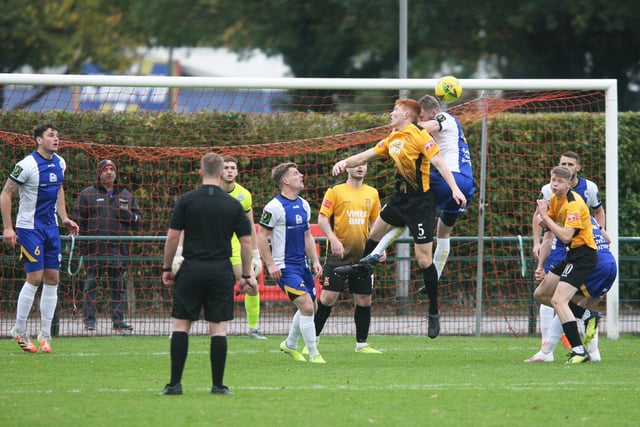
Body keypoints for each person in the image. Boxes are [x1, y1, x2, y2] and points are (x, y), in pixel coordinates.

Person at [332, 98, 467, 339]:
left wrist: (455, 189)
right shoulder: (393, 137)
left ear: (406, 114)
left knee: (424, 261)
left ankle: (434, 311)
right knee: (373, 234)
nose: (391, 114)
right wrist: (345, 162)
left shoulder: (419, 135)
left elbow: (439, 163)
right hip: (399, 200)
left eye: (395, 111)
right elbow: (368, 154)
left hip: (421, 203)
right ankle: (361, 272)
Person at [158, 152, 256, 396]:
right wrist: (245, 275)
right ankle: (218, 386)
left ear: (201, 172)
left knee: (181, 326)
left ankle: (174, 384)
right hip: (221, 270)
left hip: (191, 269)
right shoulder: (233, 204)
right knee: (218, 329)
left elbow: (172, 237)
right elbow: (246, 243)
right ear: (222, 172)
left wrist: (167, 268)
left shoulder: (187, 200)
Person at [1, 122, 79, 353]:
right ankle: (19, 329)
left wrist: (63, 217)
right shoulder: (26, 165)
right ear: (38, 139)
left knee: (53, 278)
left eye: (57, 135)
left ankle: (45, 334)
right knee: (34, 277)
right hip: (29, 228)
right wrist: (8, 227)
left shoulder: (60, 163)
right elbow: (6, 193)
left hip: (51, 228)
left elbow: (59, 189)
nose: (56, 139)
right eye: (51, 135)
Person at [531, 151, 605, 345]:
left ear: (569, 183)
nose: (554, 184)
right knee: (540, 294)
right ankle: (588, 315)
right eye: (552, 180)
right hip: (571, 255)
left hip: (583, 255)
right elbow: (546, 225)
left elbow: (565, 236)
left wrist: (545, 217)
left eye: (559, 181)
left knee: (558, 300)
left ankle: (578, 349)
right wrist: (542, 220)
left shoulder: (574, 202)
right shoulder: (555, 199)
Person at [256, 162, 325, 363]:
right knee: (307, 306)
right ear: (285, 180)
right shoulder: (274, 207)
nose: (301, 175)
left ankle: (290, 344)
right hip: (284, 267)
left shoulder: (303, 204)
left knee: (312, 306)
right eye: (296, 174)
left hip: (301, 265)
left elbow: (307, 235)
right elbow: (261, 237)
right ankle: (313, 354)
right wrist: (270, 264)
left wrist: (315, 260)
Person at [525, 216, 616, 362]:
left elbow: (551, 239)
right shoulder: (588, 216)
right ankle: (594, 353)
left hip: (592, 263)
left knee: (561, 303)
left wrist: (541, 265)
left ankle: (549, 352)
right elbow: (607, 239)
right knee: (573, 306)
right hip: (609, 263)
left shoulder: (566, 216)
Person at [314, 163, 383, 353]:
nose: (360, 168)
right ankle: (313, 340)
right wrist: (333, 240)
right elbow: (322, 218)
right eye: (356, 165)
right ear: (347, 169)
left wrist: (380, 246)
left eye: (364, 164)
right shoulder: (336, 191)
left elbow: (376, 223)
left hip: (363, 257)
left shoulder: (372, 193)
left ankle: (361, 344)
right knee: (328, 297)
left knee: (364, 299)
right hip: (338, 255)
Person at [73, 159, 142, 331]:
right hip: (94, 249)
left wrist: (129, 217)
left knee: (118, 286)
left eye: (112, 169)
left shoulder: (125, 194)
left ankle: (118, 321)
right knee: (91, 285)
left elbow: (138, 222)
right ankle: (89, 320)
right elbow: (78, 222)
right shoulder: (87, 194)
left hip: (118, 250)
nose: (109, 172)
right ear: (99, 173)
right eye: (106, 169)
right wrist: (81, 248)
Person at [417, 94, 475, 279]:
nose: (421, 122)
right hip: (466, 183)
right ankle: (435, 276)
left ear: (433, 113)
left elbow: (431, 125)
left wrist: (406, 126)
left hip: (450, 178)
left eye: (421, 117)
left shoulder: (444, 117)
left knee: (404, 204)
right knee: (444, 230)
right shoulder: (451, 131)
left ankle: (376, 249)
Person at [219, 156, 265, 339]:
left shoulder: (244, 195)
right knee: (198, 286)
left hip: (237, 249)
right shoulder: (210, 192)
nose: (230, 171)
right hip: (213, 248)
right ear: (219, 172)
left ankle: (253, 329)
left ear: (237, 172)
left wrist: (255, 255)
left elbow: (250, 225)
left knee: (252, 285)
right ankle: (180, 328)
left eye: (233, 167)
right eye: (226, 167)